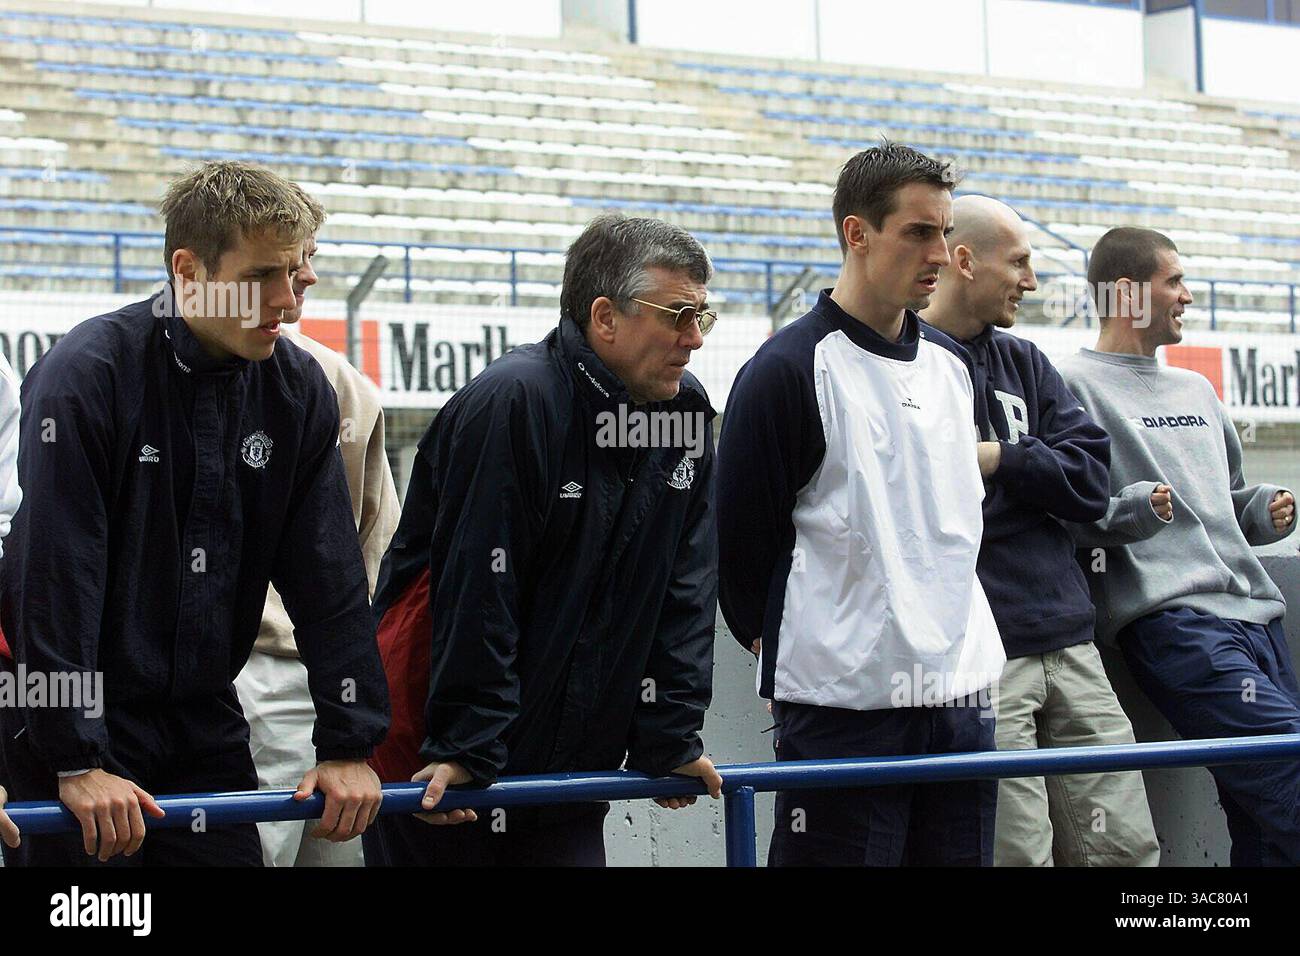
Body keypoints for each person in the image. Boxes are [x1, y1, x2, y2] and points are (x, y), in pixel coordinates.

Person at [0, 161, 389, 867]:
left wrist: (349, 743)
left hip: (206, 726)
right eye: (259, 278)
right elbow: (55, 579)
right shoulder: (88, 374)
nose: (288, 304)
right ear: (188, 269)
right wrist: (74, 757)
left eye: (294, 275)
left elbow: (329, 580)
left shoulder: (298, 387)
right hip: (78, 738)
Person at [364, 214, 723, 867]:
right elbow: (480, 586)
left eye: (703, 316)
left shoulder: (684, 413)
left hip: (565, 779)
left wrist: (669, 731)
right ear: (605, 318)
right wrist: (465, 748)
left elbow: (684, 584)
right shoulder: (515, 401)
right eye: (677, 315)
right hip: (441, 773)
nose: (694, 339)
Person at [717, 142, 1005, 867]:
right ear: (856, 233)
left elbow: (953, 523)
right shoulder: (784, 370)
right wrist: (818, 653)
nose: (941, 251)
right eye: (918, 231)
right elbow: (740, 552)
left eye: (944, 231)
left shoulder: (952, 364)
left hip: (963, 697)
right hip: (844, 709)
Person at [920, 196, 1160, 866]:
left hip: (1071, 639)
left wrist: (1001, 458)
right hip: (981, 659)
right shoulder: (905, 365)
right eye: (1020, 262)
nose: (1032, 281)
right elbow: (938, 511)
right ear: (964, 260)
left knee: (1124, 849)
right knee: (1016, 854)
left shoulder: (1026, 360)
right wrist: (1038, 484)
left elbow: (1090, 486)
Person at [1058, 226, 1300, 866]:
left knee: (1261, 813)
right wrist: (1128, 511)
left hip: (1259, 618)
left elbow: (1229, 503)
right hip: (1178, 627)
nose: (1187, 295)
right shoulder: (1071, 386)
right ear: (1130, 294)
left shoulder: (1197, 389)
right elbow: (1068, 513)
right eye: (1175, 281)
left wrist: (1263, 511)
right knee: (1288, 765)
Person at [234, 191, 401, 867]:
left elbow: (370, 551)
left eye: (305, 260)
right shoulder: (137, 376)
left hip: (302, 681)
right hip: (237, 687)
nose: (300, 279)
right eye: (283, 262)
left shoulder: (338, 384)